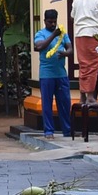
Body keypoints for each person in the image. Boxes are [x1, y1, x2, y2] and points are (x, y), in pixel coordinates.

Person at [32, 8, 72, 137]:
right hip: (47, 75)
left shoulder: (63, 33)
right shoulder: (40, 34)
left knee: (65, 103)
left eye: (54, 21)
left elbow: (70, 49)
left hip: (61, 74)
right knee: (47, 104)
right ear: (45, 21)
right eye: (50, 22)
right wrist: (53, 35)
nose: (53, 24)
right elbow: (39, 47)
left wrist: (65, 53)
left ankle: (67, 130)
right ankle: (49, 130)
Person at [70, 0, 98, 97]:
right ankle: (90, 97)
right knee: (93, 65)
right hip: (93, 34)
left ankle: (83, 97)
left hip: (79, 34)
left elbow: (72, 18)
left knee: (83, 65)